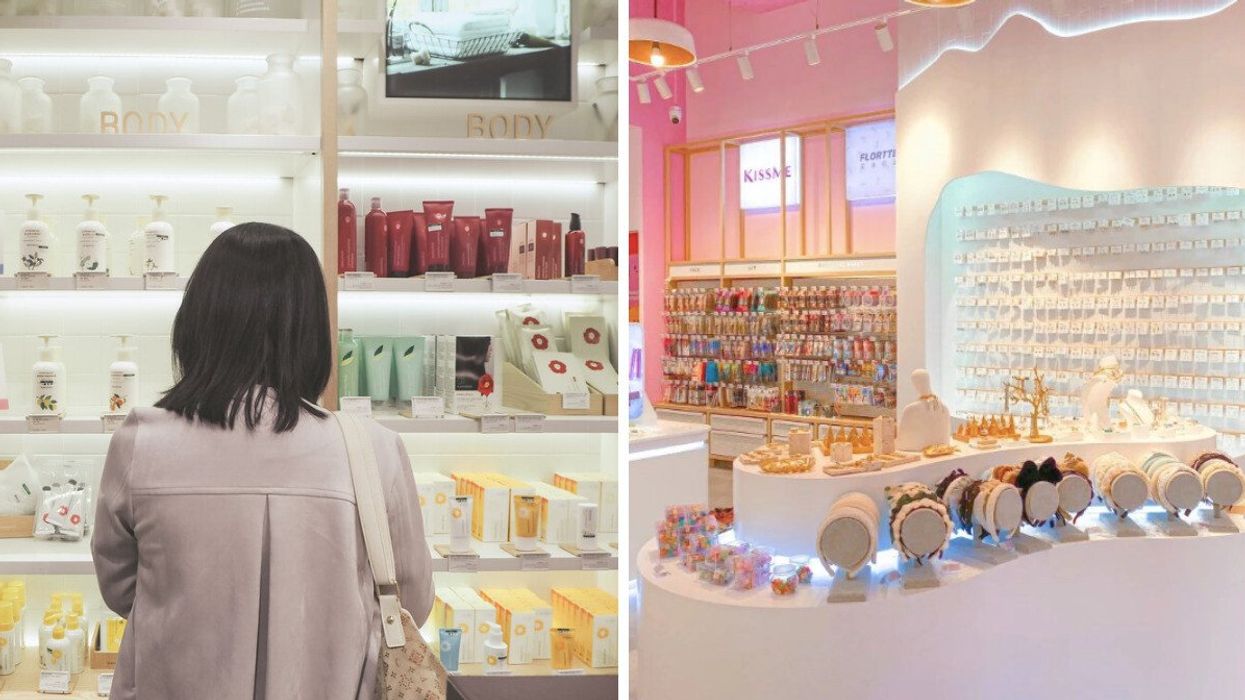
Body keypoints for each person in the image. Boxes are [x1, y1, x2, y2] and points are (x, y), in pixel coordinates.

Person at [91, 222, 433, 700]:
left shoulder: (141, 442)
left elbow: (121, 586)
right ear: (311, 329)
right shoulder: (373, 449)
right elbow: (410, 600)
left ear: (197, 321)